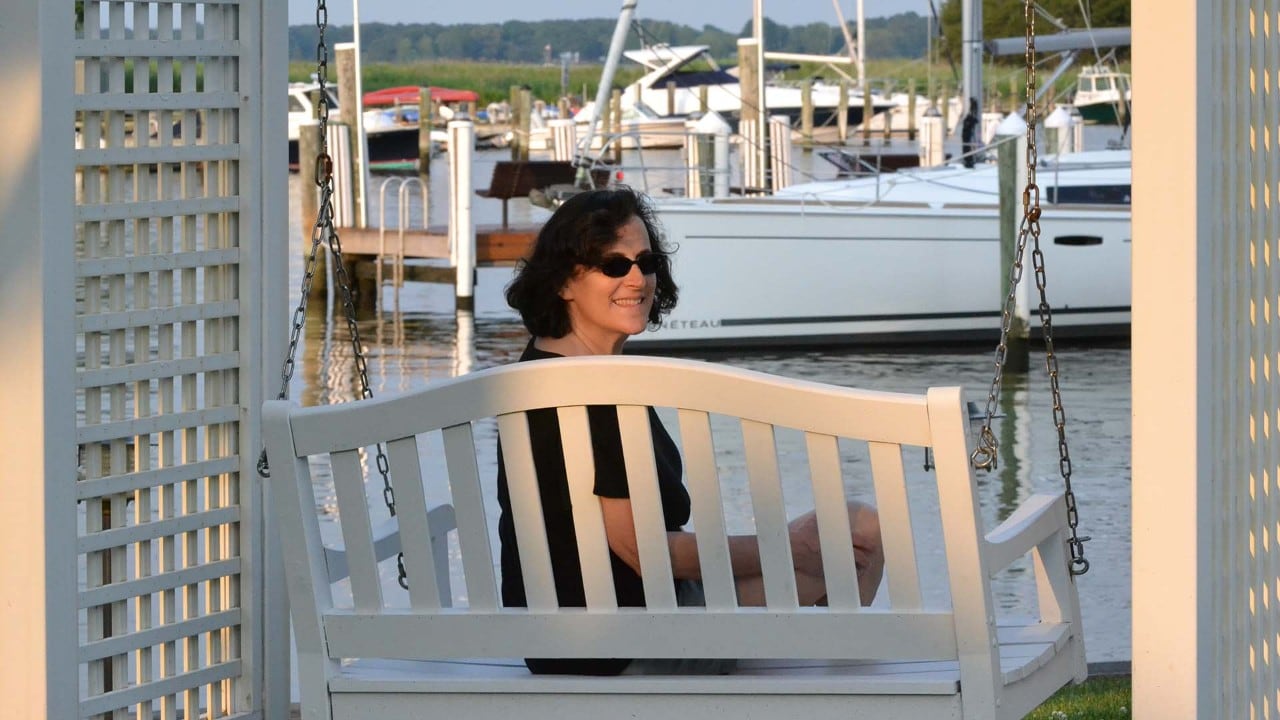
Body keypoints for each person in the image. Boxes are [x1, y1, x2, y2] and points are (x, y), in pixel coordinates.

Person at [497, 187, 885, 676]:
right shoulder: (588, 392)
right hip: (623, 643)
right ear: (564, 283)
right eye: (613, 266)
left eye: (647, 260)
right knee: (857, 536)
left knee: (850, 530)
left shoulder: (541, 368)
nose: (636, 277)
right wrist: (788, 545)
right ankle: (846, 698)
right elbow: (648, 553)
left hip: (587, 632)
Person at [961, 97, 980, 168]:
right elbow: (973, 113)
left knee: (967, 147)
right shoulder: (969, 120)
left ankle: (969, 160)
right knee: (967, 147)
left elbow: (973, 113)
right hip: (967, 135)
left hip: (967, 135)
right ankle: (969, 160)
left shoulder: (969, 119)